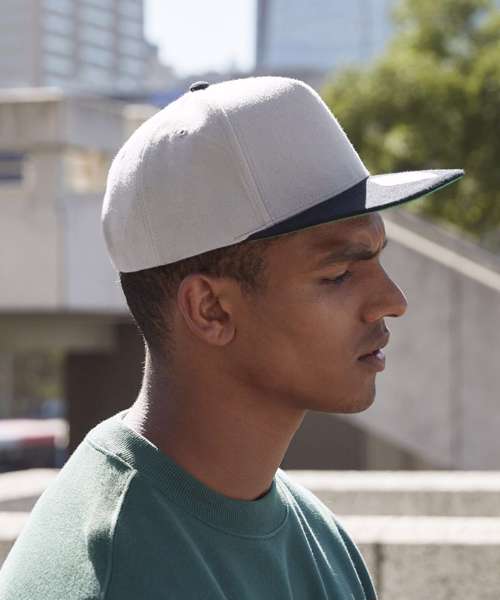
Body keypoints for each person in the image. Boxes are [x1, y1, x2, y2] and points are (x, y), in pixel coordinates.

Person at [0, 76, 463, 599]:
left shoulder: (320, 538)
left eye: (377, 259)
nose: (393, 300)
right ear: (211, 309)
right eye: (339, 274)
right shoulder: (112, 574)